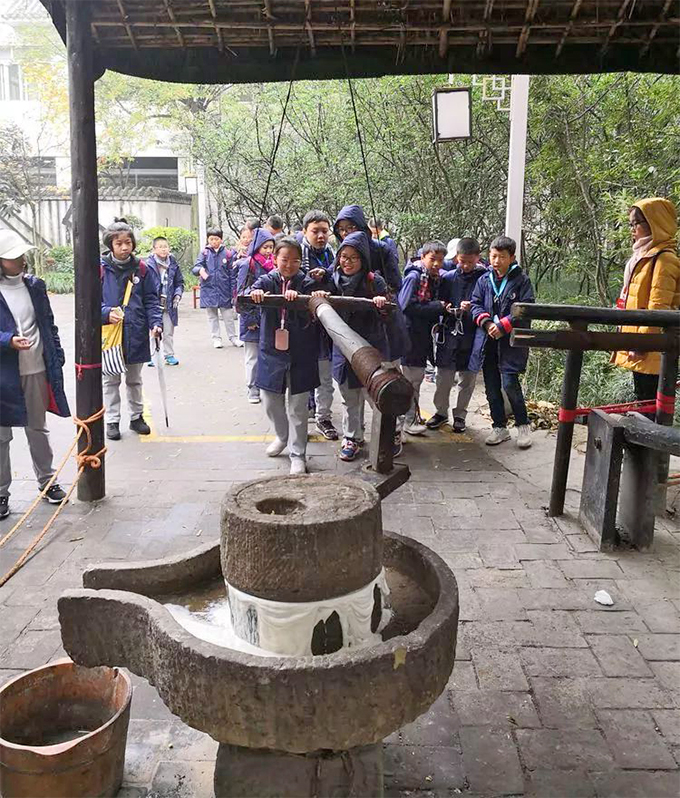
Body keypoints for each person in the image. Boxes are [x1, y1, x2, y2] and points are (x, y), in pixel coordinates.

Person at [0, 231, 69, 518]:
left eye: (21, 254)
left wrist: (56, 352)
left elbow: (48, 324)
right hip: (4, 375)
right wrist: (7, 341)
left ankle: (48, 481)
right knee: (2, 436)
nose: (21, 259)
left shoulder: (35, 286)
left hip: (36, 368)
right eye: (14, 256)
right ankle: (1, 493)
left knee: (37, 428)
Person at [310, 231, 388, 462]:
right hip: (342, 351)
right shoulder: (331, 280)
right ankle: (352, 438)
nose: (347, 261)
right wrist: (321, 294)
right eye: (343, 256)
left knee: (375, 395)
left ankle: (388, 434)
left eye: (353, 257)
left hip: (369, 349)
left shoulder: (375, 281)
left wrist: (380, 303)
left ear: (363, 259)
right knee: (348, 396)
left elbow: (388, 314)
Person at [248, 236, 319, 475]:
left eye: (295, 260)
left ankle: (298, 454)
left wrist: (299, 301)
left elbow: (315, 308)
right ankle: (282, 436)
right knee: (270, 400)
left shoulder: (306, 283)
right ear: (275, 258)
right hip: (271, 351)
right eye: (284, 259)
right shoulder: (267, 280)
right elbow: (248, 294)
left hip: (301, 351)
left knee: (298, 407)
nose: (289, 265)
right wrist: (256, 293)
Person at [469, 235, 534, 449]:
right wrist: (487, 324)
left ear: (512, 257)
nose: (496, 261)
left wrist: (504, 325)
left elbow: (526, 308)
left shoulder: (521, 280)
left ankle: (523, 426)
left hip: (510, 342)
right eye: (493, 256)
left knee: (510, 384)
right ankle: (499, 427)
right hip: (488, 340)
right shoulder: (484, 280)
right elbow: (475, 304)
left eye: (502, 257)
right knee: (491, 385)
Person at [101, 219, 162, 441]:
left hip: (135, 332)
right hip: (109, 334)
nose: (125, 247)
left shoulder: (143, 268)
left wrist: (156, 323)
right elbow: (88, 303)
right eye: (119, 243)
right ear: (111, 245)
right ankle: (112, 420)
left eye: (128, 242)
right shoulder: (99, 269)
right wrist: (105, 313)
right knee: (111, 379)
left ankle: (137, 417)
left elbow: (151, 299)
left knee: (135, 379)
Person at [613, 198, 680, 401]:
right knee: (643, 399)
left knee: (650, 403)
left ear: (655, 223)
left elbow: (658, 308)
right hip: (641, 343)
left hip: (652, 346)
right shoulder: (643, 256)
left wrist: (642, 343)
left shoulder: (664, 259)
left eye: (637, 223)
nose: (632, 229)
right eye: (630, 224)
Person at [427, 237, 487, 433]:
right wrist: (449, 309)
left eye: (470, 261)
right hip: (449, 333)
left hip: (473, 335)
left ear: (478, 258)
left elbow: (489, 306)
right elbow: (438, 303)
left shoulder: (485, 279)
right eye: (462, 261)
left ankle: (460, 415)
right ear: (456, 259)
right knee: (443, 376)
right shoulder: (448, 278)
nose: (466, 265)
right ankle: (441, 413)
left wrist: (473, 308)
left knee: (467, 378)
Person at [398, 241, 449, 436]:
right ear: (423, 257)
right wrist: (437, 307)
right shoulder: (414, 277)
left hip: (421, 337)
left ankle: (409, 418)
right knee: (411, 380)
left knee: (416, 380)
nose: (436, 264)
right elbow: (406, 306)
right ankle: (407, 420)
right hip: (410, 337)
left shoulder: (433, 278)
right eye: (432, 259)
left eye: (440, 260)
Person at [299, 210, 338, 440]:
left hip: (325, 327)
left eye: (325, 231)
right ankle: (300, 421)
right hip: (303, 327)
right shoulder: (296, 253)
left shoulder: (333, 254)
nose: (321, 236)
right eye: (315, 231)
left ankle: (324, 417)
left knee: (325, 376)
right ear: (305, 232)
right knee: (303, 375)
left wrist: (326, 276)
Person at [235, 227, 275, 404]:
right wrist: (250, 319)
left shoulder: (273, 265)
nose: (268, 251)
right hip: (251, 318)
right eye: (264, 247)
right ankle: (252, 388)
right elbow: (240, 294)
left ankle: (264, 386)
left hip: (268, 317)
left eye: (270, 247)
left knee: (266, 354)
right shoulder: (248, 264)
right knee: (252, 356)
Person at [192, 227, 240, 348]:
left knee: (228, 316)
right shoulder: (204, 253)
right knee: (212, 317)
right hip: (209, 289)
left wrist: (233, 291)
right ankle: (216, 338)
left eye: (216, 239)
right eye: (211, 239)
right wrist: (200, 270)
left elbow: (232, 274)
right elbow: (196, 267)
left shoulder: (227, 254)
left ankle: (233, 337)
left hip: (224, 290)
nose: (214, 241)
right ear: (208, 239)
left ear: (221, 239)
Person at [146, 236, 184, 366]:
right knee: (154, 331)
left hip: (169, 303)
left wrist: (178, 294)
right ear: (154, 249)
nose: (163, 249)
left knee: (168, 331)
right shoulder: (148, 264)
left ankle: (169, 355)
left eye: (165, 246)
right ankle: (153, 356)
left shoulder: (173, 263)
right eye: (160, 247)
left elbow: (179, 282)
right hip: (153, 303)